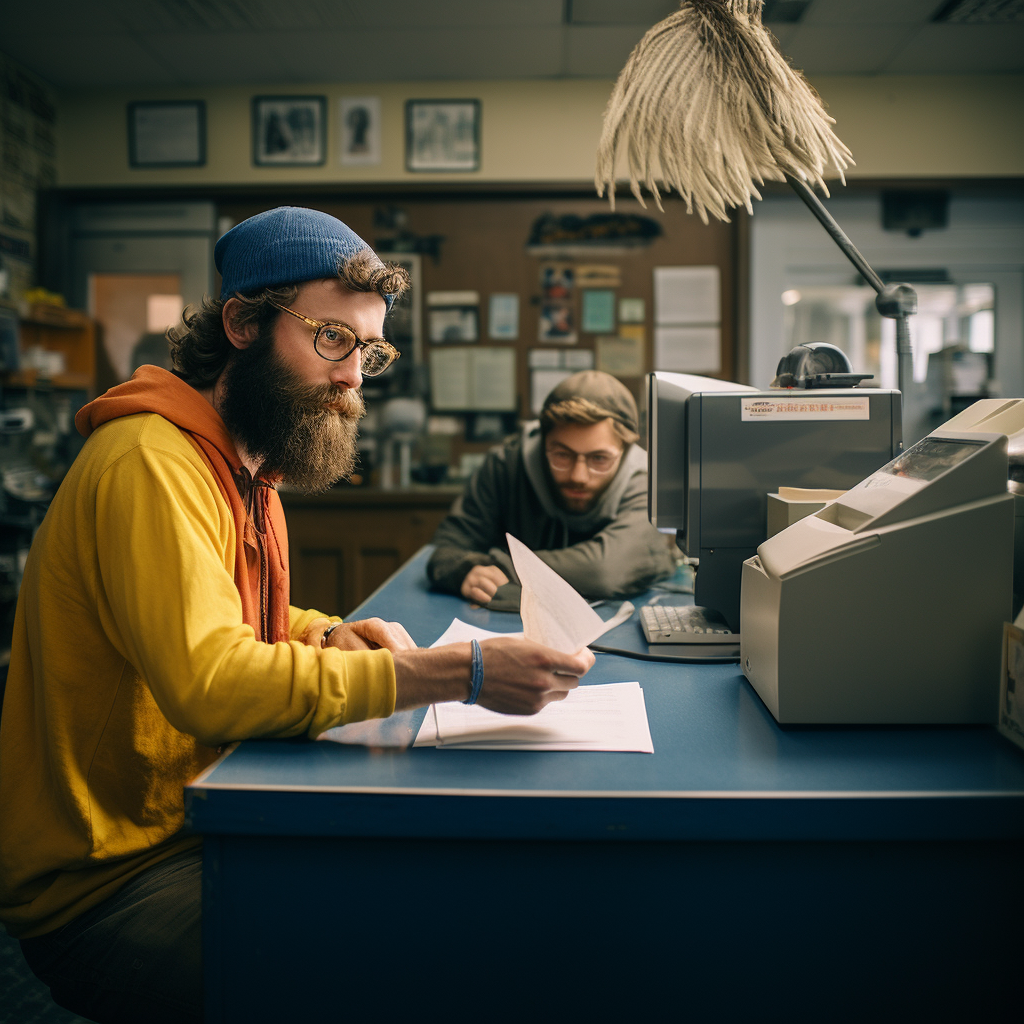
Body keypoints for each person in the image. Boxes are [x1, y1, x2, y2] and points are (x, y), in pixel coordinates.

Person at [0, 206, 593, 1024]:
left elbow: (239, 615)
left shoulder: (244, 465)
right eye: (333, 340)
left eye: (368, 351)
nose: (355, 375)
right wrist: (465, 672)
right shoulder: (150, 461)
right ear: (243, 322)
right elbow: (211, 680)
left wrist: (322, 632)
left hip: (201, 813)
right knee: (423, 963)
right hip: (107, 882)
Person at [427, 370, 677, 610]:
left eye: (599, 459)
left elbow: (603, 571)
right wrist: (466, 570)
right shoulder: (506, 466)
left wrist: (504, 567)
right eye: (562, 455)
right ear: (542, 440)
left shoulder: (645, 482)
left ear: (625, 453)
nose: (579, 477)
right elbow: (447, 549)